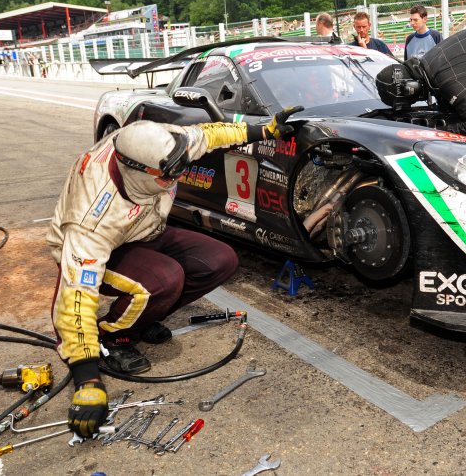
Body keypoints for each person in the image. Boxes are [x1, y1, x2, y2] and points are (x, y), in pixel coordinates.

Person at [54, 110, 302, 438]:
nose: (179, 176)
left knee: (220, 260)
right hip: (103, 247)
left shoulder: (169, 145)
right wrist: (87, 380)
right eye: (169, 176)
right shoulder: (90, 217)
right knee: (164, 280)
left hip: (143, 229)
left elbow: (212, 134)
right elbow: (74, 298)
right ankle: (112, 338)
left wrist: (263, 131)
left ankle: (141, 317)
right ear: (137, 171)